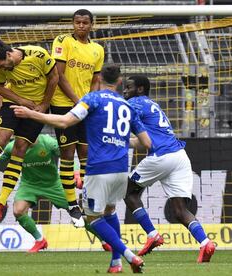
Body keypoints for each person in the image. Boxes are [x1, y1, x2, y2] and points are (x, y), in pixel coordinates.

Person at [11, 64, 151, 273]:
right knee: (110, 212)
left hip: (99, 169)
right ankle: (115, 263)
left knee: (92, 218)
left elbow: (65, 121)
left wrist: (32, 114)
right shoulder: (127, 106)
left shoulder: (92, 99)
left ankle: (129, 255)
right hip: (121, 169)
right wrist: (119, 140)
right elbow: (145, 143)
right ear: (119, 81)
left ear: (98, 79)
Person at [0, 134, 111, 253]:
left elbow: (68, 155)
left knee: (80, 215)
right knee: (18, 211)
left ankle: (105, 241)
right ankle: (40, 240)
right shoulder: (12, 147)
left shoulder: (47, 142)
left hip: (53, 185)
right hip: (29, 185)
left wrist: (77, 170)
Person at [123, 75, 216, 262]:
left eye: (128, 87)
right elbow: (142, 142)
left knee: (129, 193)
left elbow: (116, 117)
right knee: (180, 210)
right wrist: (122, 143)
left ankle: (152, 234)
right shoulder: (152, 105)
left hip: (161, 156)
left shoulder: (134, 103)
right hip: (179, 157)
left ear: (140, 89)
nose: (125, 91)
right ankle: (206, 242)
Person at [0, 39, 59, 222]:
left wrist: (44, 105)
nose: (2, 68)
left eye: (2, 64)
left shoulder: (38, 55)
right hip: (14, 103)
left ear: (8, 54)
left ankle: (1, 202)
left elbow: (54, 78)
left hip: (36, 108)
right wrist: (21, 101)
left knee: (20, 149)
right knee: (0, 140)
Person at [50, 9, 104, 227]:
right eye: (77, 22)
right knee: (67, 153)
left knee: (86, 153)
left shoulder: (97, 49)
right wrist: (78, 101)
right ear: (73, 24)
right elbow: (58, 75)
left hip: (84, 107)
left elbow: (95, 79)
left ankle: (85, 200)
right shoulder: (62, 41)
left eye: (85, 23)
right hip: (63, 104)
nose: (80, 26)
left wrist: (90, 100)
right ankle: (73, 206)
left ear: (91, 24)